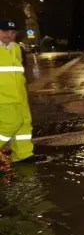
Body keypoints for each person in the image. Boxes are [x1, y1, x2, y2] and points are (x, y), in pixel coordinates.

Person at [0, 20, 39, 163]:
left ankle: (23, 154)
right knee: (11, 124)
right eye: (4, 31)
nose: (8, 35)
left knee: (24, 124)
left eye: (12, 32)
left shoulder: (16, 48)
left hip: (20, 94)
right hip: (3, 96)